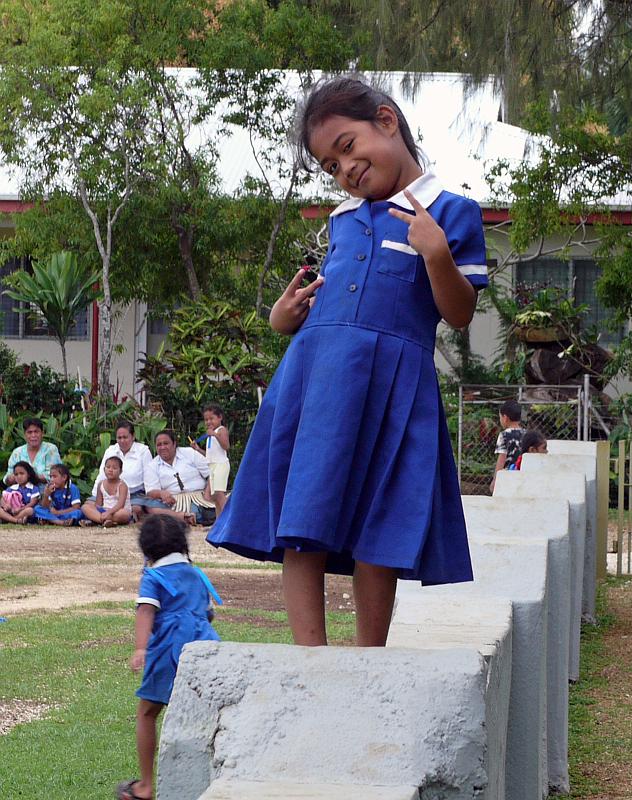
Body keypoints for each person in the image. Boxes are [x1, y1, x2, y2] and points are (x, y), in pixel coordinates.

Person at [207, 76, 488, 647]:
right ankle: (309, 661)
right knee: (302, 521)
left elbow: (458, 314)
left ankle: (368, 663)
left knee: (378, 528)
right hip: (318, 388)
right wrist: (283, 319)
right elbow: (330, 308)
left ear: (386, 122)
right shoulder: (341, 220)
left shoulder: (453, 212)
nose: (345, 168)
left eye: (346, 145)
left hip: (395, 392)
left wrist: (436, 255)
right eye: (330, 165)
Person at [115, 515, 221, 800]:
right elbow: (207, 614)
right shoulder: (197, 574)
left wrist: (140, 648)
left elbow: (146, 610)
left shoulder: (153, 576)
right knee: (205, 716)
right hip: (205, 648)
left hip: (169, 649)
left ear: (146, 550)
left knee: (148, 712)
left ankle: (147, 786)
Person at [91, 421, 159, 520]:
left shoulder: (143, 451)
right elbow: (102, 474)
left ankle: (100, 518)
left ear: (133, 436)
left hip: (134, 494)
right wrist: (95, 495)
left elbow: (149, 477)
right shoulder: (110, 451)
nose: (122, 440)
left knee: (135, 509)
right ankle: (106, 519)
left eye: (125, 437)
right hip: (108, 493)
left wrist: (151, 496)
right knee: (88, 506)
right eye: (119, 438)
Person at [146, 430, 213, 525]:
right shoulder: (152, 465)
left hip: (198, 496)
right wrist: (161, 493)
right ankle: (181, 516)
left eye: (166, 443)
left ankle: (189, 516)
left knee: (225, 501)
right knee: (151, 508)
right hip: (173, 501)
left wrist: (207, 492)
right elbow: (150, 492)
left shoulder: (190, 453)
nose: (162, 447)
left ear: (174, 444)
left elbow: (211, 474)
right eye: (159, 445)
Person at [190, 403, 230, 518]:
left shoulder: (221, 430)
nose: (208, 422)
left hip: (220, 464)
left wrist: (215, 435)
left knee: (219, 494)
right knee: (215, 497)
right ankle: (218, 522)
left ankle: (228, 520)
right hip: (212, 466)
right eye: (206, 420)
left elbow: (226, 446)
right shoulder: (210, 435)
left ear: (220, 417)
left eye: (211, 418)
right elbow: (208, 455)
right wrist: (197, 449)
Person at [3, 417, 62, 486]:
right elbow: (7, 478)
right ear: (25, 434)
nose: (33, 435)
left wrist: (30, 476)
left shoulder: (50, 449)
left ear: (42, 433)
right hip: (20, 495)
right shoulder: (17, 452)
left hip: (47, 494)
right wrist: (10, 479)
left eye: (36, 432)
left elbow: (56, 475)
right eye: (29, 432)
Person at [81, 455, 133, 527]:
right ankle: (105, 521)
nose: (110, 470)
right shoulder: (101, 484)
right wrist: (98, 511)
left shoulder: (122, 485)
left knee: (123, 514)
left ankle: (99, 520)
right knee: (85, 507)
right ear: (104, 469)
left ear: (120, 471)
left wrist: (109, 512)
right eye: (108, 467)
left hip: (118, 511)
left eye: (114, 468)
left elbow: (120, 504)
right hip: (104, 511)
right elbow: (98, 504)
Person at [489, 399, 524, 493]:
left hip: (507, 476)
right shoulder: (526, 434)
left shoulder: (504, 435)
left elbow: (502, 458)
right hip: (523, 474)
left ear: (505, 418)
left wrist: (495, 480)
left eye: (500, 417)